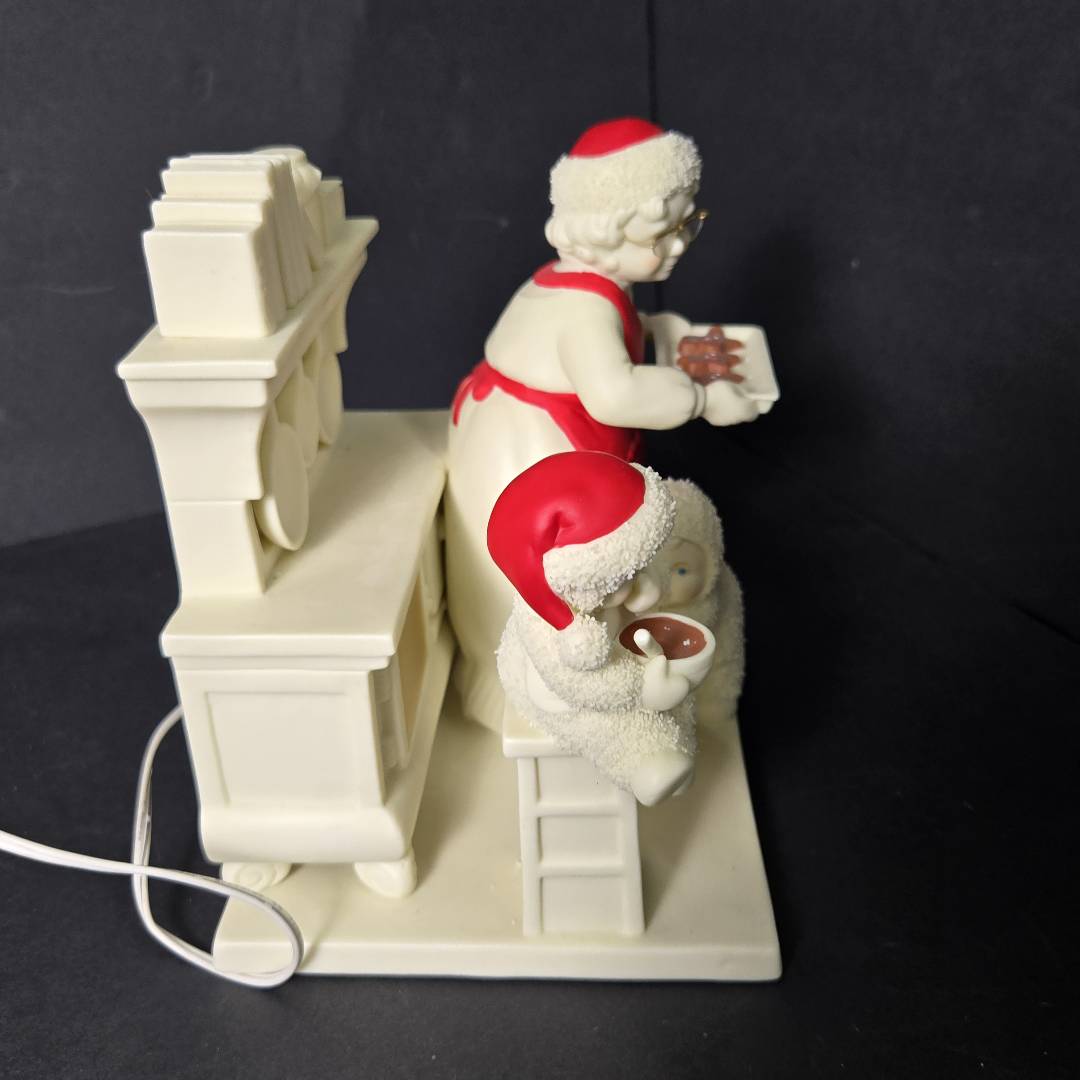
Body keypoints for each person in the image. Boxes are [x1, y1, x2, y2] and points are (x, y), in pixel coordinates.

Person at [445, 116, 765, 732]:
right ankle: (538, 687)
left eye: (687, 225)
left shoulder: (574, 282)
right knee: (549, 572)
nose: (680, 244)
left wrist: (663, 332)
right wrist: (703, 398)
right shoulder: (585, 309)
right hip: (530, 449)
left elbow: (613, 346)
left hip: (514, 428)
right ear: (606, 230)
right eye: (663, 233)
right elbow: (615, 394)